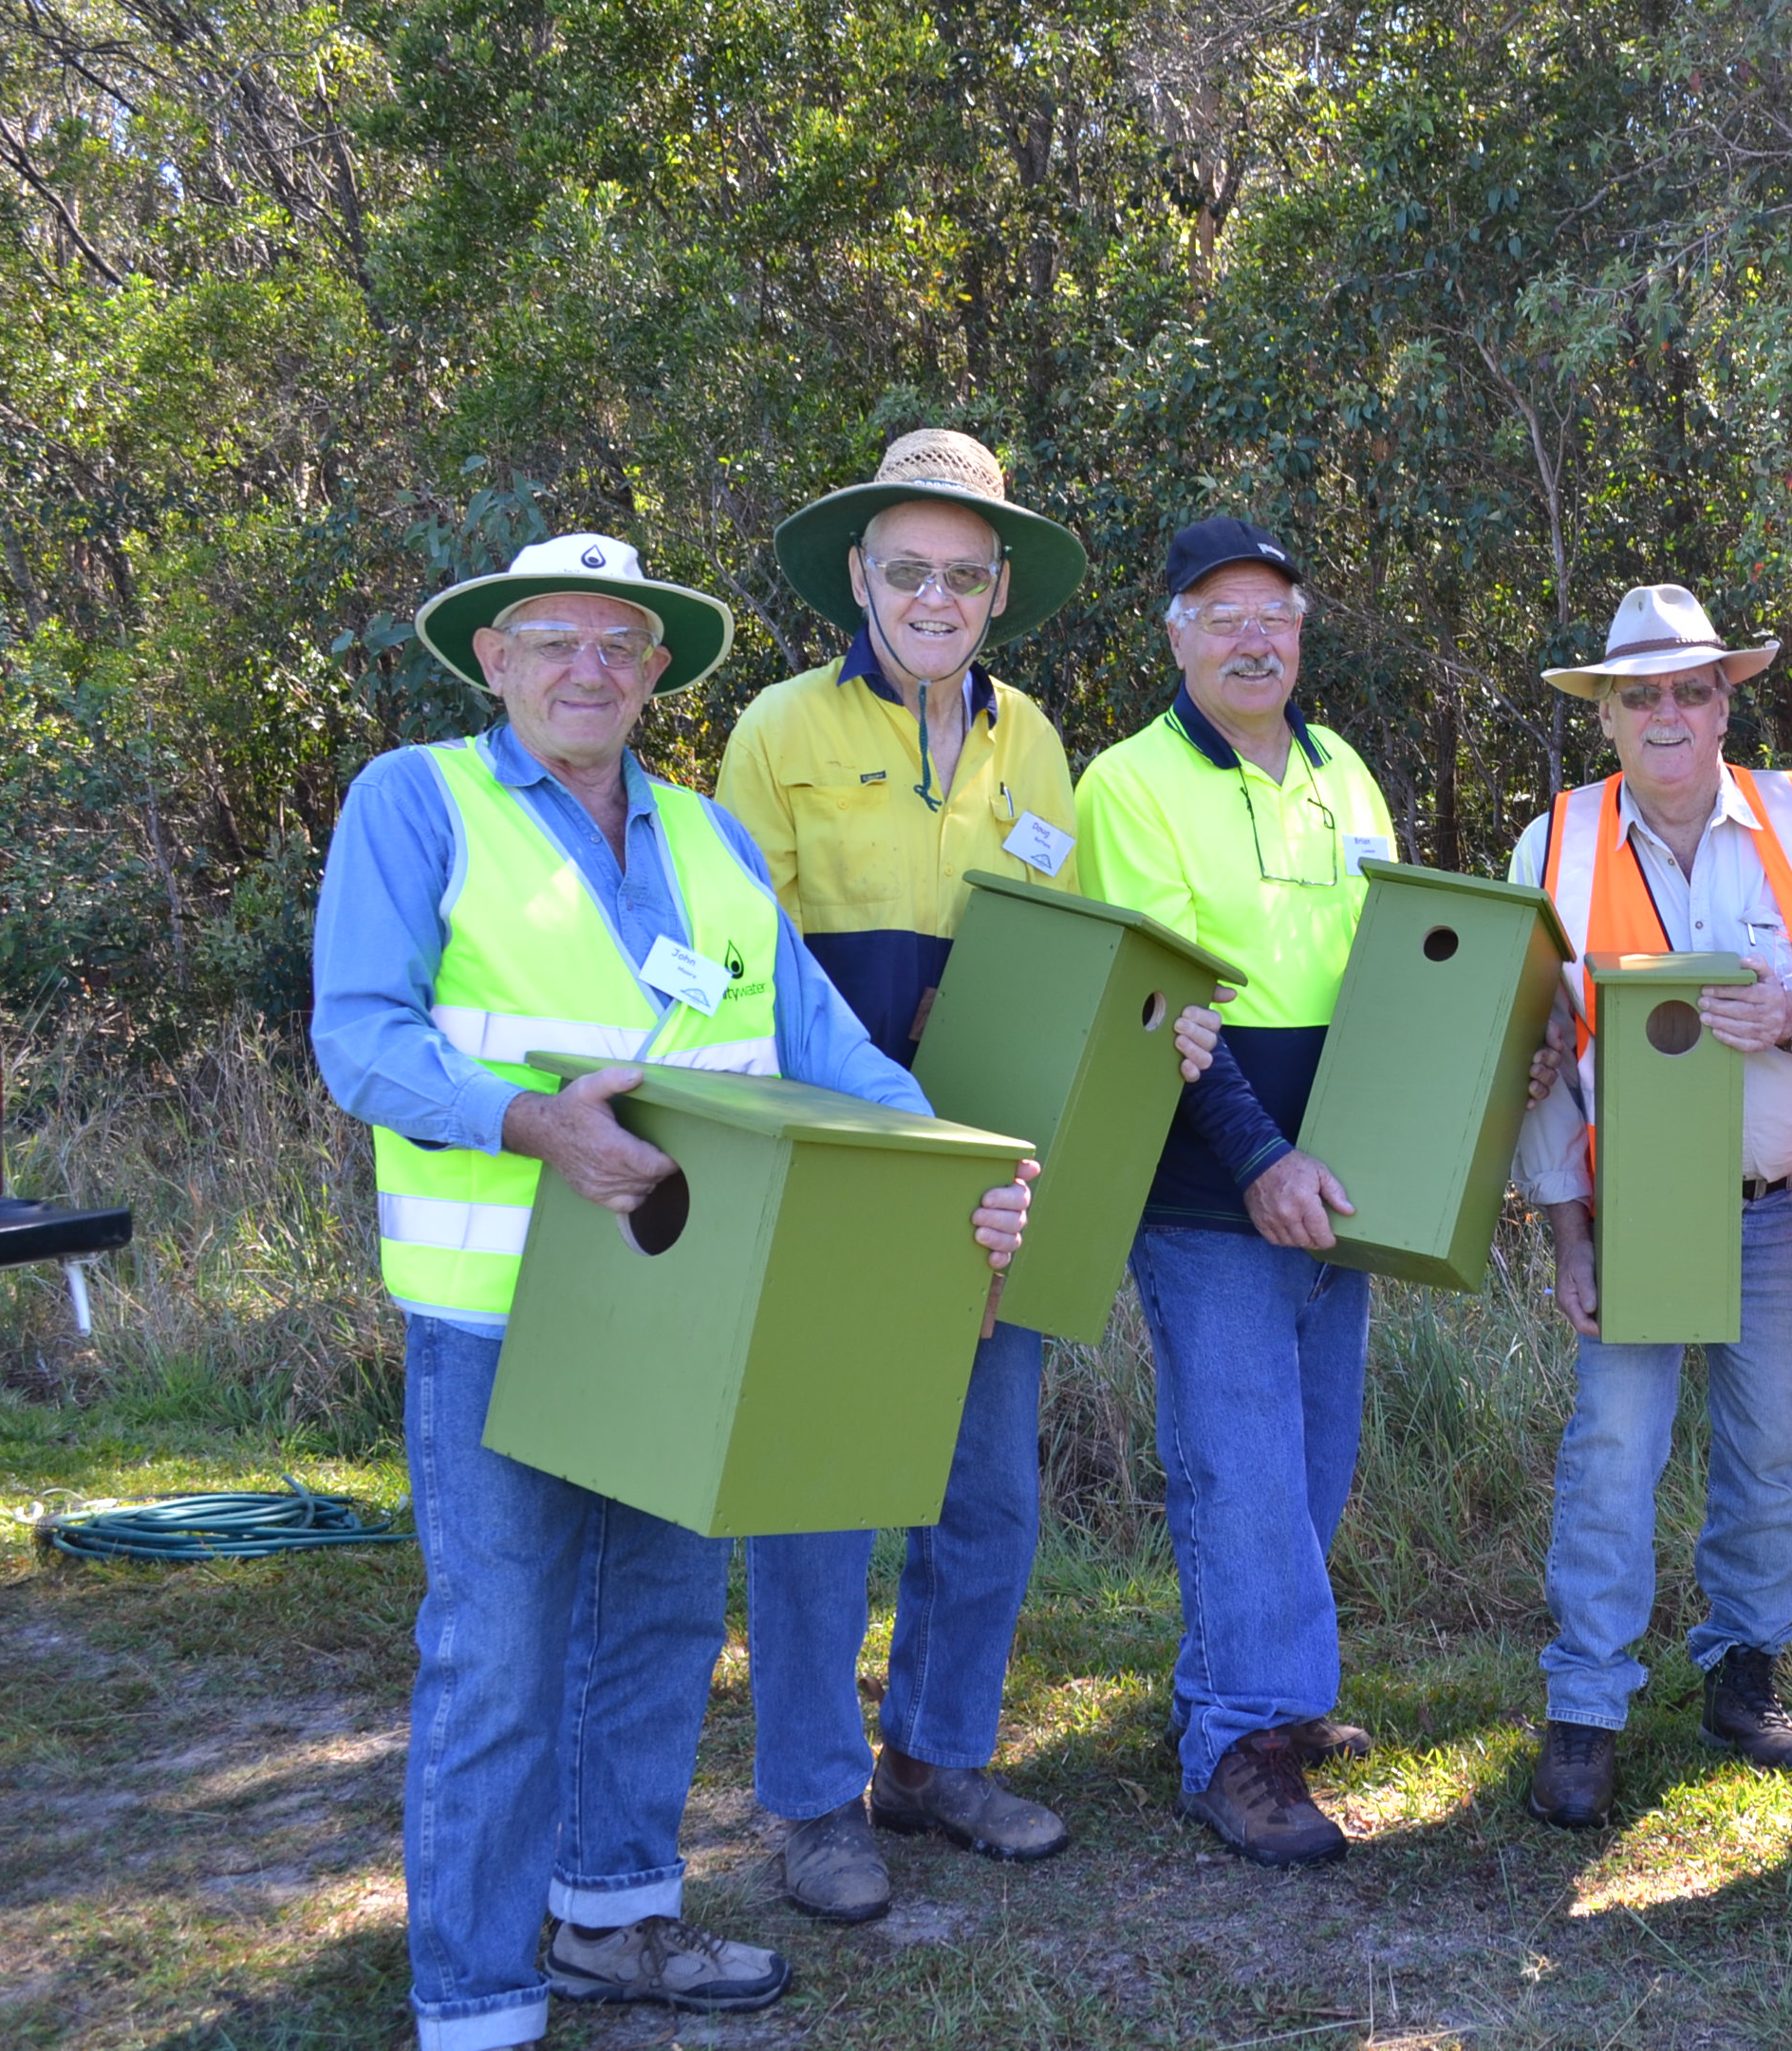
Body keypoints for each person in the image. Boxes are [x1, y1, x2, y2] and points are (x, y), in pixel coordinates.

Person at [311, 534, 1036, 2049]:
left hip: (683, 1318)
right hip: (497, 1313)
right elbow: (362, 1039)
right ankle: (474, 1994)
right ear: (492, 661)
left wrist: (965, 1173)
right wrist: (532, 1123)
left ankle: (615, 1918)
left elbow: (836, 1060)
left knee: (652, 1634)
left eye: (619, 646)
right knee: (499, 1651)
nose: (589, 668)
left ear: (656, 675)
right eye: (553, 641)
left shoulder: (709, 843)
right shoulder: (417, 801)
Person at [719, 431, 1221, 1920]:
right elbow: (750, 970)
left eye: (963, 574)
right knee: (818, 1493)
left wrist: (1151, 1035)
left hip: (995, 1173)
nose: (934, 596)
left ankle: (934, 1761)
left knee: (985, 1488)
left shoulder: (1037, 741)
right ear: (861, 579)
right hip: (835, 1161)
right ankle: (814, 1802)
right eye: (906, 571)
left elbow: (1058, 958)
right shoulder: (777, 732)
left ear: (999, 590)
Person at [1507, 583, 1792, 1828]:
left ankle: (1744, 1680)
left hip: (1789, 1202)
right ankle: (1585, 1709)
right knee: (1615, 1450)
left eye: (1693, 689)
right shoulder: (1552, 846)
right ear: (1609, 715)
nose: (1669, 712)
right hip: (1634, 1209)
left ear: (1727, 701)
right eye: (1643, 695)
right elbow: (1535, 1058)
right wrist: (1568, 1230)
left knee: (1766, 1453)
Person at [1073, 516, 1399, 1868]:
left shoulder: (1342, 771)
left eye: (1275, 610)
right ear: (1176, 637)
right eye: (1221, 613)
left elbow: (1393, 969)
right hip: (1216, 1185)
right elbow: (1166, 1004)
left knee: (1313, 1460)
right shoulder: (1130, 784)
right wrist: (1261, 1158)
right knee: (1242, 1470)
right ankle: (1237, 1742)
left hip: (1349, 1182)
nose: (1253, 634)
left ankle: (1262, 1686)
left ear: (1303, 628)